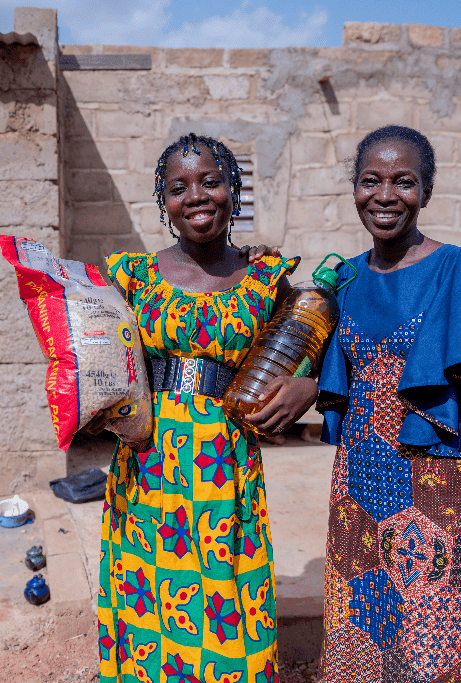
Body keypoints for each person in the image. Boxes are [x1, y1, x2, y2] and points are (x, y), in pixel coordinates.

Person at [314, 125, 461, 683]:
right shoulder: (345, 283)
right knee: (354, 648)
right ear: (354, 188)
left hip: (436, 504)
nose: (385, 196)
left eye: (404, 182)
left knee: (428, 657)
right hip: (356, 496)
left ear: (426, 191)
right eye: (371, 181)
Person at [97, 133, 318, 683]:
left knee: (228, 604)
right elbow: (96, 358)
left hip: (227, 463)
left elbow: (315, 341)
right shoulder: (131, 277)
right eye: (179, 187)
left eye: (211, 181)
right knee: (149, 606)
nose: (196, 196)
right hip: (151, 464)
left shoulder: (267, 277)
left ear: (233, 190)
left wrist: (308, 386)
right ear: (163, 200)